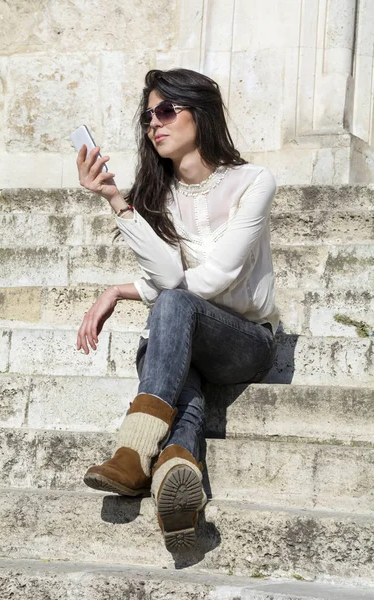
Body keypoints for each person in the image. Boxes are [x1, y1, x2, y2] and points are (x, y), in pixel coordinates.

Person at [75, 68, 278, 552]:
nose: (154, 124)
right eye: (148, 116)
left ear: (200, 113)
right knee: (170, 336)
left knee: (168, 315)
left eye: (166, 111)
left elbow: (216, 278)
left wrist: (128, 292)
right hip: (190, 331)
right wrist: (115, 201)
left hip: (247, 343)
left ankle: (133, 450)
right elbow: (167, 278)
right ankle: (176, 466)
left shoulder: (253, 182)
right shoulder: (159, 195)